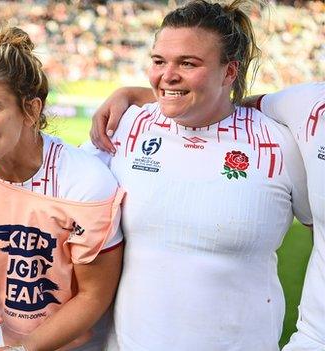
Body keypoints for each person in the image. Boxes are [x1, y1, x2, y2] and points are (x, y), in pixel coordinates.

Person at [80, 1, 312, 349]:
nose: (167, 75)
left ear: (229, 72)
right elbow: (57, 195)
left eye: (187, 63)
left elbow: (320, 235)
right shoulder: (126, 126)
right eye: (159, 61)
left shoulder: (279, 144)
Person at [0, 27, 124, 351]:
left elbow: (94, 296)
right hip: (2, 339)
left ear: (32, 110)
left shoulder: (84, 184)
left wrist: (25, 350)